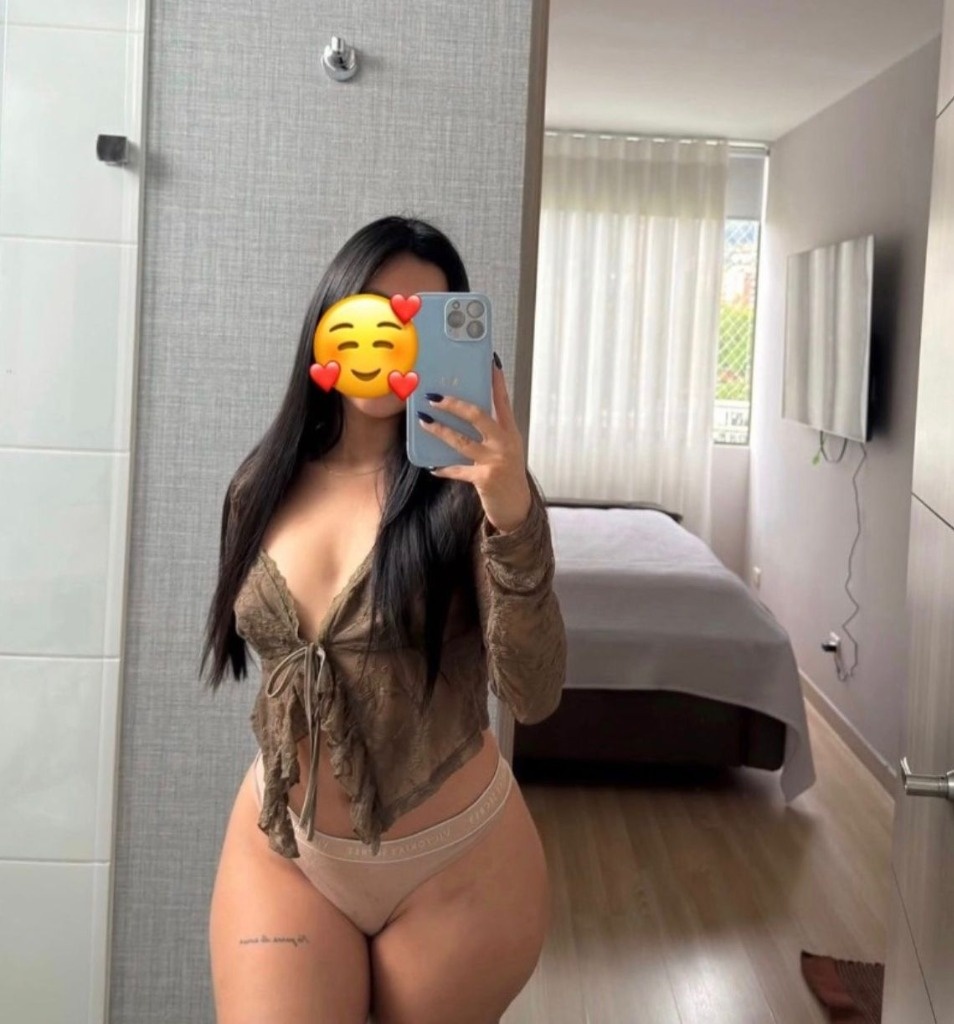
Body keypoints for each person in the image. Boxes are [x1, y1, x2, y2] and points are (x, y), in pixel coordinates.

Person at [202, 215, 566, 1024]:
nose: (386, 338)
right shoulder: (258, 486)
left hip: (458, 867)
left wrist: (511, 514)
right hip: (286, 854)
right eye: (368, 310)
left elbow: (534, 692)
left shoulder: (474, 499)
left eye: (413, 319)